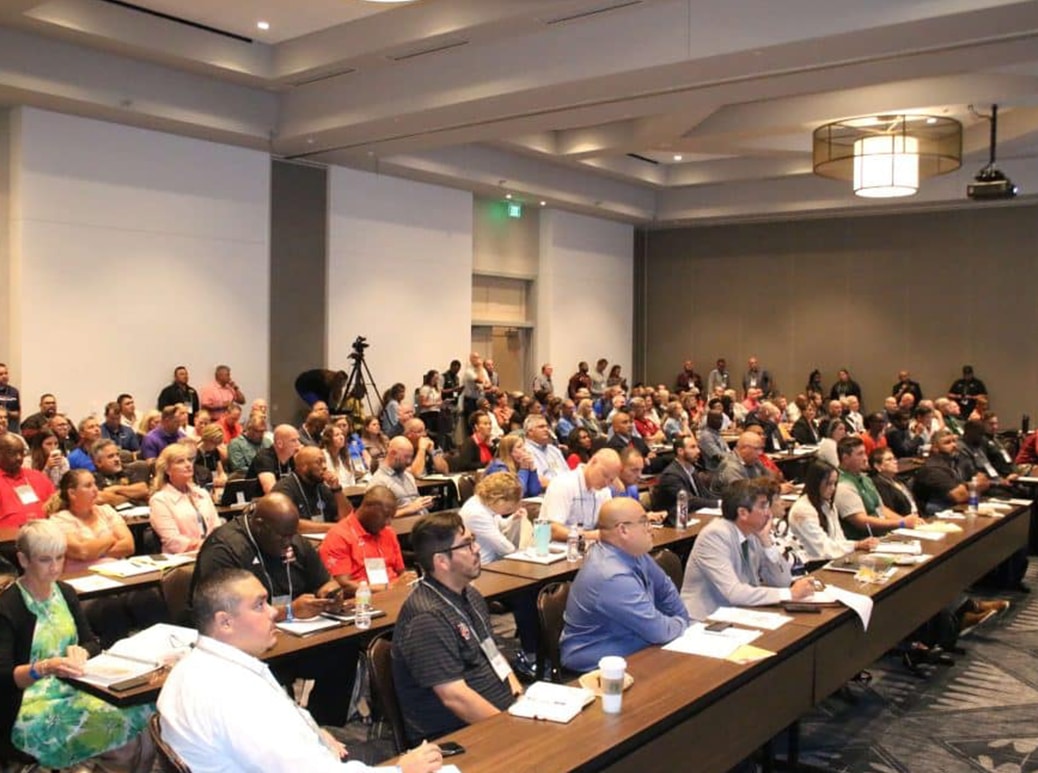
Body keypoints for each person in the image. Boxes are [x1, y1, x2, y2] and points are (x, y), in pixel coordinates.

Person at [158, 567, 442, 773]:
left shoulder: (192, 668)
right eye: (259, 605)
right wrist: (402, 770)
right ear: (225, 623)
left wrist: (312, 729)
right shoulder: (235, 695)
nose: (272, 612)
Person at [0, 520, 153, 769]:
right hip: (28, 703)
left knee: (143, 713)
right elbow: (4, 678)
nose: (55, 567)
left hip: (73, 686)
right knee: (121, 734)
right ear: (23, 560)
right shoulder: (9, 606)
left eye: (60, 558)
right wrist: (45, 667)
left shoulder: (65, 592)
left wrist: (82, 651)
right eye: (45, 559)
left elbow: (91, 642)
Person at [191, 493, 352, 724]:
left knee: (342, 652)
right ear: (259, 525)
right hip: (247, 646)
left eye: (292, 534)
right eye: (282, 537)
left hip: (295, 638)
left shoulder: (291, 537)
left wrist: (331, 594)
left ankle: (323, 728)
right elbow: (226, 619)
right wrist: (288, 611)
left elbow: (325, 581)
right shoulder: (224, 549)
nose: (288, 542)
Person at [391, 511, 521, 745]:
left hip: (500, 714)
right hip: (456, 735)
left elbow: (492, 651)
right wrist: (510, 730)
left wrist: (518, 697)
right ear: (441, 561)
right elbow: (455, 698)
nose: (477, 549)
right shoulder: (426, 618)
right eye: (467, 544)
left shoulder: (469, 593)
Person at [561, 497, 690, 672]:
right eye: (644, 522)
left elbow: (665, 590)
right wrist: (683, 625)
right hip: (598, 661)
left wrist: (682, 620)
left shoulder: (635, 553)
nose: (650, 528)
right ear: (623, 530)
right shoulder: (610, 575)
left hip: (631, 643)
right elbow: (658, 630)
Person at [680, 478, 816, 620]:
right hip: (705, 619)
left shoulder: (752, 533)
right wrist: (789, 594)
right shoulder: (714, 536)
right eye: (763, 506)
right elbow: (734, 592)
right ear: (743, 513)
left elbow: (782, 581)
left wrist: (766, 542)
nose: (768, 513)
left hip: (739, 613)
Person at [319, 485, 413, 594]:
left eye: (391, 517)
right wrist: (389, 587)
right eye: (385, 516)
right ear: (368, 509)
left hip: (395, 594)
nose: (388, 522)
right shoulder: (338, 536)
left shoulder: (388, 532)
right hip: (362, 600)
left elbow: (401, 572)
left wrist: (408, 579)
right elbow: (342, 587)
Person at [787, 461, 877, 565]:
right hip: (812, 564)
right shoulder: (802, 510)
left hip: (832, 559)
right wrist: (856, 545)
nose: (833, 488)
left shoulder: (827, 504)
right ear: (816, 483)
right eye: (829, 484)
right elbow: (823, 548)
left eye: (835, 483)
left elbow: (838, 538)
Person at [47, 469, 135, 573]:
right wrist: (110, 539)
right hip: (84, 579)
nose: (95, 489)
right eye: (88, 486)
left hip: (120, 573)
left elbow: (129, 546)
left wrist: (94, 551)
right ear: (72, 493)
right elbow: (82, 551)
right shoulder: (60, 520)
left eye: (94, 484)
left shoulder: (106, 510)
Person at [834, 436, 920, 538]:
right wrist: (900, 523)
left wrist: (907, 522)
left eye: (865, 453)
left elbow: (881, 509)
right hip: (861, 542)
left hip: (880, 535)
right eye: (860, 454)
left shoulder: (866, 479)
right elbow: (861, 521)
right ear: (845, 458)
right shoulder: (842, 485)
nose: (865, 458)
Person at [149, 442, 222, 553]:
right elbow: (173, 542)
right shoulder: (160, 500)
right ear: (167, 470)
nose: (188, 465)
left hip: (212, 553)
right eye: (180, 461)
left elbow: (217, 527)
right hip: (181, 559)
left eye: (189, 460)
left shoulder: (202, 494)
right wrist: (208, 546)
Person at [541, 448, 621, 541]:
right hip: (556, 548)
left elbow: (608, 526)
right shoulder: (563, 483)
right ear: (593, 462)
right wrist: (589, 536)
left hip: (587, 548)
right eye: (604, 475)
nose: (606, 482)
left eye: (611, 480)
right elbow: (553, 530)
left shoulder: (605, 491)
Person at [271, 446, 351, 533]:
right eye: (318, 462)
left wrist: (337, 489)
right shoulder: (284, 488)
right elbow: (290, 524)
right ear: (303, 467)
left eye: (325, 462)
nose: (324, 467)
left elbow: (348, 519)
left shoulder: (322, 487)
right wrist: (335, 527)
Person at [913, 428, 992, 514]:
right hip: (940, 509)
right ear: (935, 448)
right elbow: (959, 496)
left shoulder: (959, 459)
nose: (954, 445)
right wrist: (974, 486)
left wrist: (972, 487)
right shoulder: (932, 468)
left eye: (954, 441)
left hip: (961, 503)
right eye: (947, 443)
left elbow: (984, 481)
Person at [653, 435, 719, 525]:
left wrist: (726, 501)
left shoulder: (691, 469)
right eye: (693, 447)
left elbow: (705, 494)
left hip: (692, 517)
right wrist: (718, 504)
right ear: (680, 451)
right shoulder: (671, 475)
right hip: (672, 525)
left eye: (697, 447)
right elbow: (688, 500)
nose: (698, 451)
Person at [370, 437, 435, 516]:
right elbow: (378, 516)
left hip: (421, 520)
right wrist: (410, 509)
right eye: (406, 457)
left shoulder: (408, 476)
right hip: (403, 525)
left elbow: (415, 503)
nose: (409, 461)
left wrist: (424, 503)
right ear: (393, 453)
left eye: (410, 457)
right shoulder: (379, 482)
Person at [0, 434, 54, 528]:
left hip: (44, 534)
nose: (19, 458)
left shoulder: (38, 476)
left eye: (21, 453)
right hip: (7, 539)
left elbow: (55, 508)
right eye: (12, 453)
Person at [92, 438, 149, 507]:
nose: (117, 459)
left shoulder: (128, 469)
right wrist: (132, 496)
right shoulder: (93, 478)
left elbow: (143, 489)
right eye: (111, 456)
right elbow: (101, 498)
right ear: (98, 462)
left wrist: (116, 488)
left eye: (117, 455)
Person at [248, 424, 302, 494]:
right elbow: (270, 491)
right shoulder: (264, 458)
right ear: (280, 444)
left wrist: (302, 459)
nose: (299, 444)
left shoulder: (293, 457)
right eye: (293, 441)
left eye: (298, 440)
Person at [485, 433, 542, 498]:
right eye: (519, 447)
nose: (524, 449)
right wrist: (524, 469)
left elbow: (535, 492)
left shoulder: (520, 463)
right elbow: (515, 494)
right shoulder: (498, 467)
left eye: (524, 446)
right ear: (509, 451)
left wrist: (532, 470)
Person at [867, 448, 919, 517]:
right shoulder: (879, 484)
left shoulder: (896, 479)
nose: (895, 462)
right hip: (902, 523)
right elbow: (889, 511)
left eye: (894, 458)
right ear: (878, 466)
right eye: (889, 459)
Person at [524, 413, 568, 485]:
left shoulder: (554, 450)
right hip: (546, 492)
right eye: (541, 427)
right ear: (530, 432)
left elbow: (567, 473)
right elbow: (539, 481)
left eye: (547, 427)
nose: (546, 430)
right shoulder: (526, 451)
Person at [0, 364, 21, 434]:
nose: (4, 376)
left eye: (6, 373)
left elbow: (18, 413)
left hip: (11, 430)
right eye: (1, 374)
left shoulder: (14, 391)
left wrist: (7, 412)